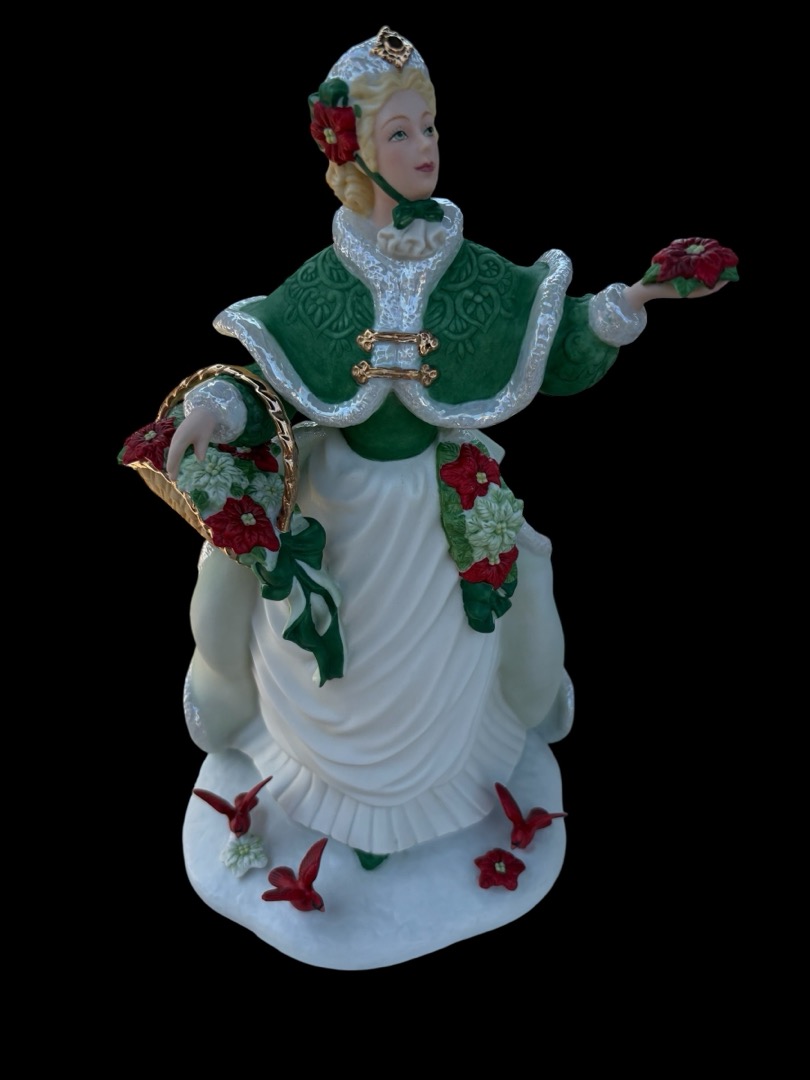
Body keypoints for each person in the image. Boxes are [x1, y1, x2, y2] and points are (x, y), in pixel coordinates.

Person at [156, 28, 732, 956]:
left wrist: (628, 305)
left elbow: (552, 342)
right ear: (353, 152)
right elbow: (273, 379)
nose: (425, 146)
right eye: (401, 133)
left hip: (437, 502)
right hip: (338, 502)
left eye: (429, 127)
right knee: (296, 627)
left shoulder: (469, 272)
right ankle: (294, 768)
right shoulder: (327, 280)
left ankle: (444, 792)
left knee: (498, 606)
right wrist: (217, 408)